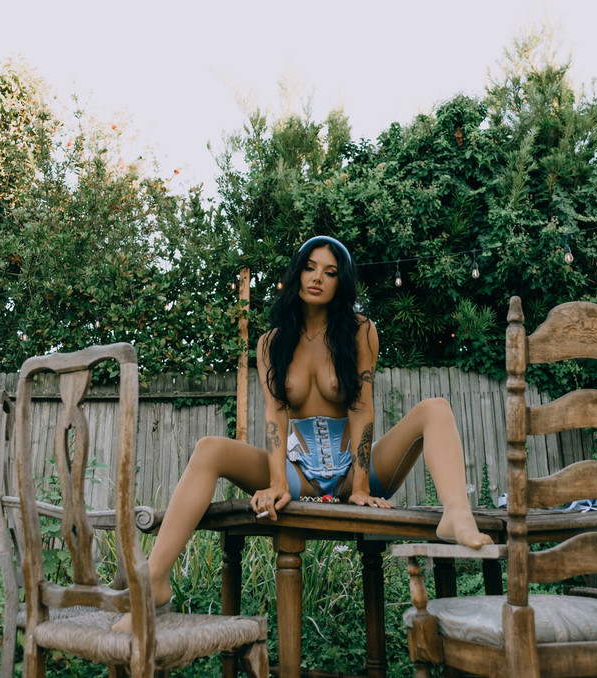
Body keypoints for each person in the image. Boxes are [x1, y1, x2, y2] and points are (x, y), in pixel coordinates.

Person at [113, 235, 491, 632]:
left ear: (340, 282)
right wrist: (278, 482)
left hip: (355, 472)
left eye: (330, 272)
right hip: (297, 475)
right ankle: (155, 582)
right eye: (310, 268)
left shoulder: (360, 331)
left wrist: (361, 485)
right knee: (209, 449)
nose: (317, 278)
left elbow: (361, 409)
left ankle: (456, 513)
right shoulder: (271, 343)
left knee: (436, 408)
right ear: (296, 274)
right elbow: (275, 415)